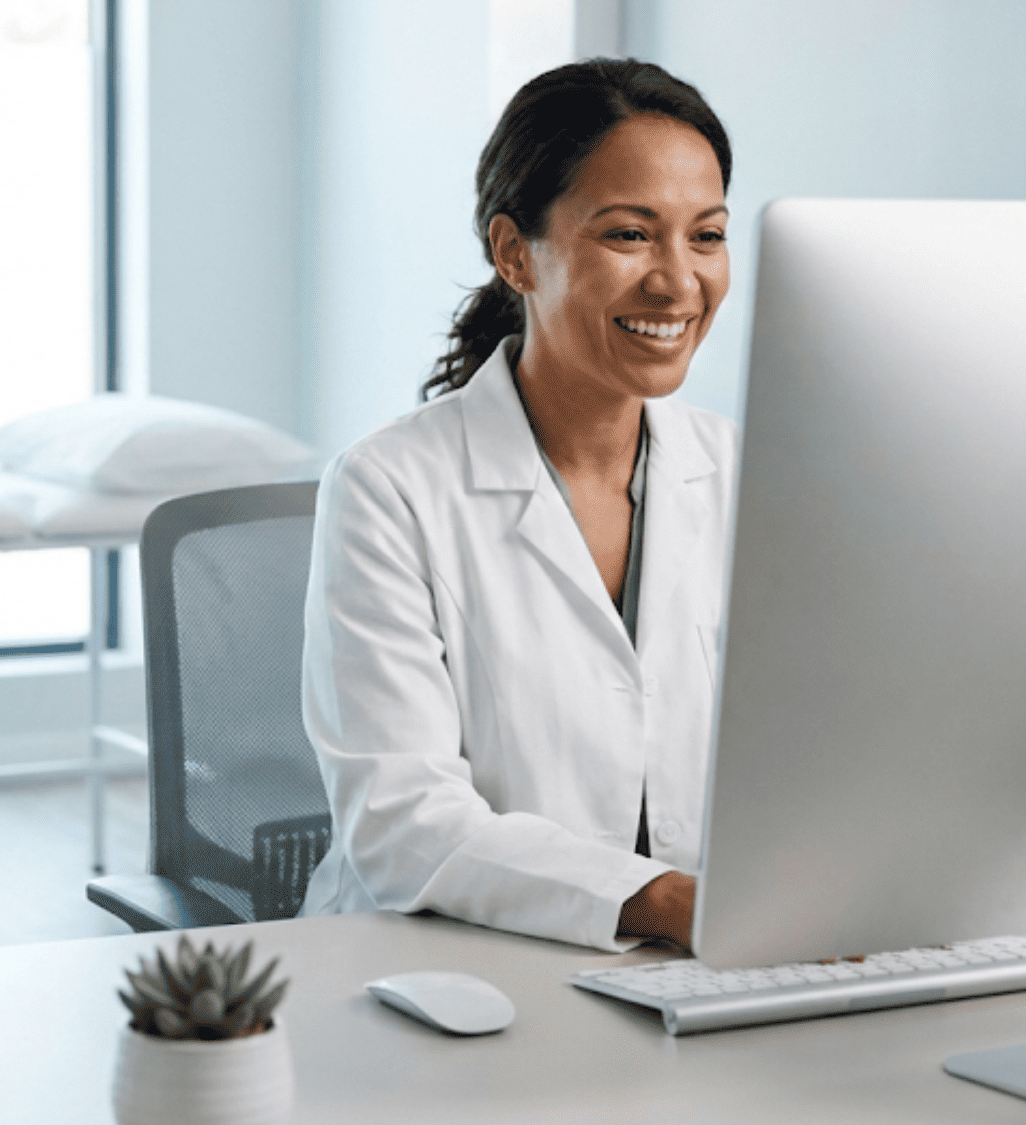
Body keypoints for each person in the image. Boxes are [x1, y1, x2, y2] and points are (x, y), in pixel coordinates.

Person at [297, 59, 736, 952]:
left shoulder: (745, 474)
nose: (678, 282)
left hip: (691, 965)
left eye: (707, 236)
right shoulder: (390, 488)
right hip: (434, 960)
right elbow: (402, 819)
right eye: (629, 235)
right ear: (513, 253)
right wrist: (667, 901)